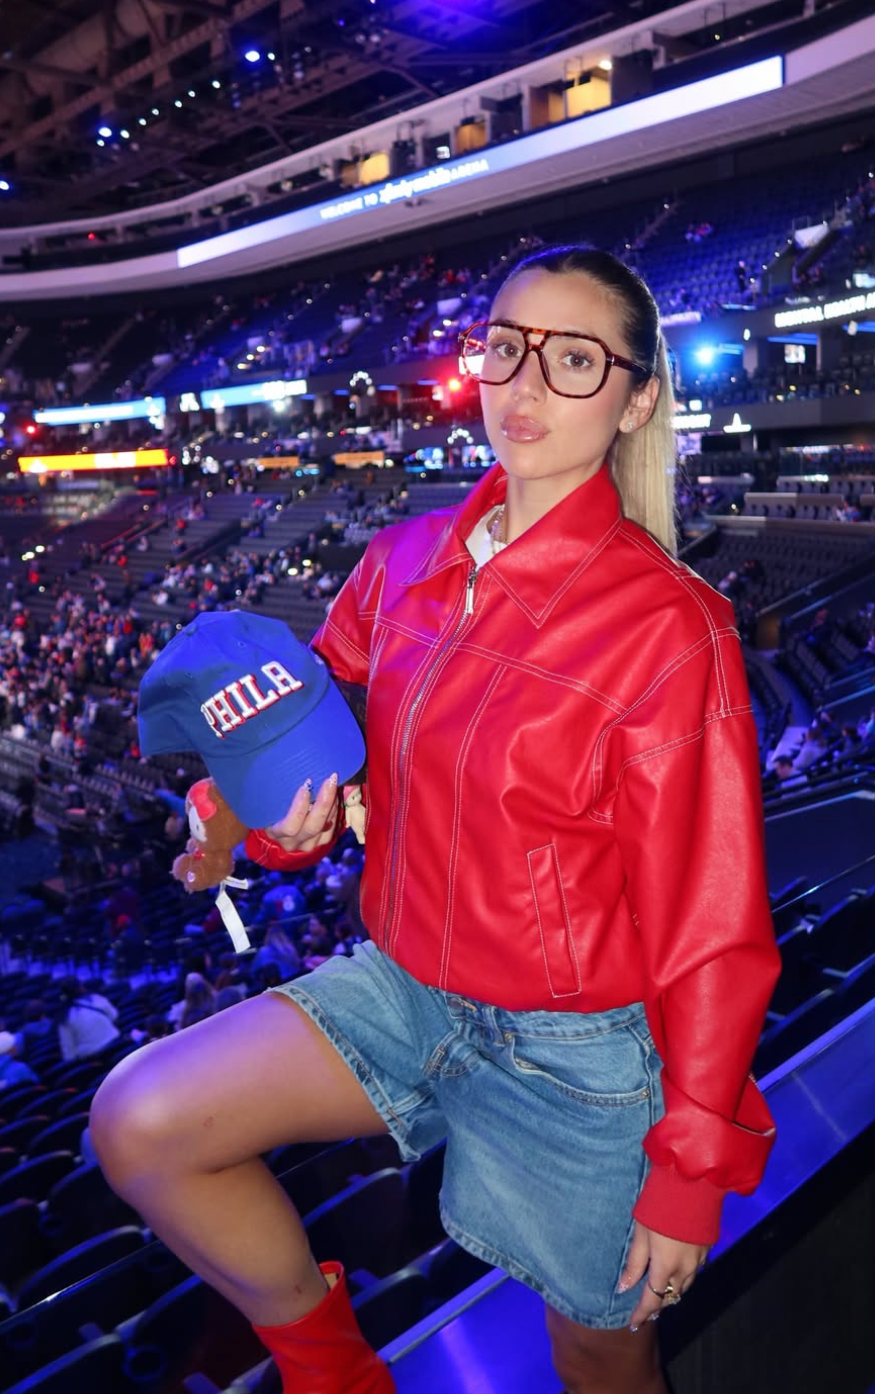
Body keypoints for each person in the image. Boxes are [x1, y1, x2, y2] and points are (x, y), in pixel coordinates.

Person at [90, 246, 780, 1394]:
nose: (523, 383)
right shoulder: (400, 561)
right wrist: (261, 822)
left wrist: (689, 1162)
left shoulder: (673, 630)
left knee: (604, 1365)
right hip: (405, 985)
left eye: (573, 360)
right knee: (142, 1120)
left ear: (636, 398)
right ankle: (335, 1369)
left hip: (577, 1054)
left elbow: (712, 927)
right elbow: (299, 731)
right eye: (506, 346)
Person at [56, 977, 121, 1061]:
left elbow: (69, 1053)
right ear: (81, 987)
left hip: (93, 1060)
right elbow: (114, 1016)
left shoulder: (65, 1018)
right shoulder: (97, 998)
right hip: (117, 1045)